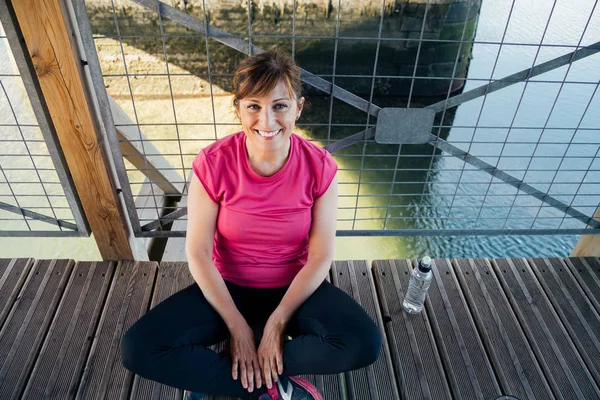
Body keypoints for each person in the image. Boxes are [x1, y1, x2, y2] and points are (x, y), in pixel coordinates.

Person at [120, 51, 382, 400]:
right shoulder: (213, 163)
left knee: (364, 343)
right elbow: (197, 253)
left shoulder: (320, 166)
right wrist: (236, 326)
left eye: (280, 106)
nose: (267, 120)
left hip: (294, 289)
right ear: (239, 109)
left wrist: (277, 323)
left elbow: (320, 256)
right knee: (138, 348)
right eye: (254, 106)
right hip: (230, 289)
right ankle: (265, 388)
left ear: (299, 108)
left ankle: (238, 377)